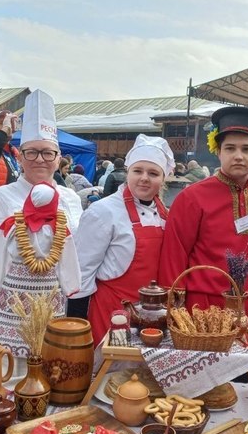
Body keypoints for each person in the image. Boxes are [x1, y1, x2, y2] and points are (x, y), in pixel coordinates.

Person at [0, 90, 82, 374]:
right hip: (9, 316)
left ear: (59, 158)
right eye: (31, 152)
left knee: (54, 377)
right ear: (19, 157)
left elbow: (75, 255)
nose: (40, 159)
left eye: (48, 152)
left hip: (56, 312)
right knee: (10, 386)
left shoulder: (71, 199)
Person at [159, 107, 248, 330]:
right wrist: (175, 305)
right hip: (201, 303)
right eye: (230, 148)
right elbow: (174, 252)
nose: (239, 156)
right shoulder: (192, 197)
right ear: (219, 152)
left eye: (247, 149)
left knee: (245, 365)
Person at [70, 134, 175, 345]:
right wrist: (76, 327)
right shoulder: (103, 211)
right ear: (128, 172)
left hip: (153, 316)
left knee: (143, 375)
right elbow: (81, 273)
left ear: (163, 179)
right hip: (114, 314)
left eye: (153, 173)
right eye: (138, 171)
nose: (144, 177)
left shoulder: (167, 215)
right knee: (111, 374)